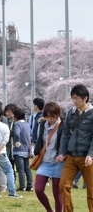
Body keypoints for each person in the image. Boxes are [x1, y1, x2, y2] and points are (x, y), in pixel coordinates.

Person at [58, 83, 93, 212]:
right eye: (73, 98)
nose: (75, 101)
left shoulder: (91, 113)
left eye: (77, 98)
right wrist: (62, 153)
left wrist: (91, 155)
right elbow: (66, 135)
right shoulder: (71, 113)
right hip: (71, 157)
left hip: (87, 157)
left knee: (91, 190)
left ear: (86, 98)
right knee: (63, 186)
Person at [33, 101, 64, 212]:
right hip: (45, 162)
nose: (50, 119)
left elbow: (65, 142)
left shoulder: (62, 125)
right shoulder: (42, 125)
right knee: (38, 189)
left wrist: (62, 154)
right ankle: (49, 210)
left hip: (58, 163)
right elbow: (39, 140)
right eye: (48, 117)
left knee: (57, 192)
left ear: (58, 115)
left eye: (53, 117)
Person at [10, 105, 33, 192]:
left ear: (15, 116)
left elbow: (16, 134)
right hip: (27, 149)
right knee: (27, 168)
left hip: (19, 150)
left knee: (21, 169)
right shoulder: (26, 124)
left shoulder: (18, 124)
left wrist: (17, 142)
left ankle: (22, 186)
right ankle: (30, 186)